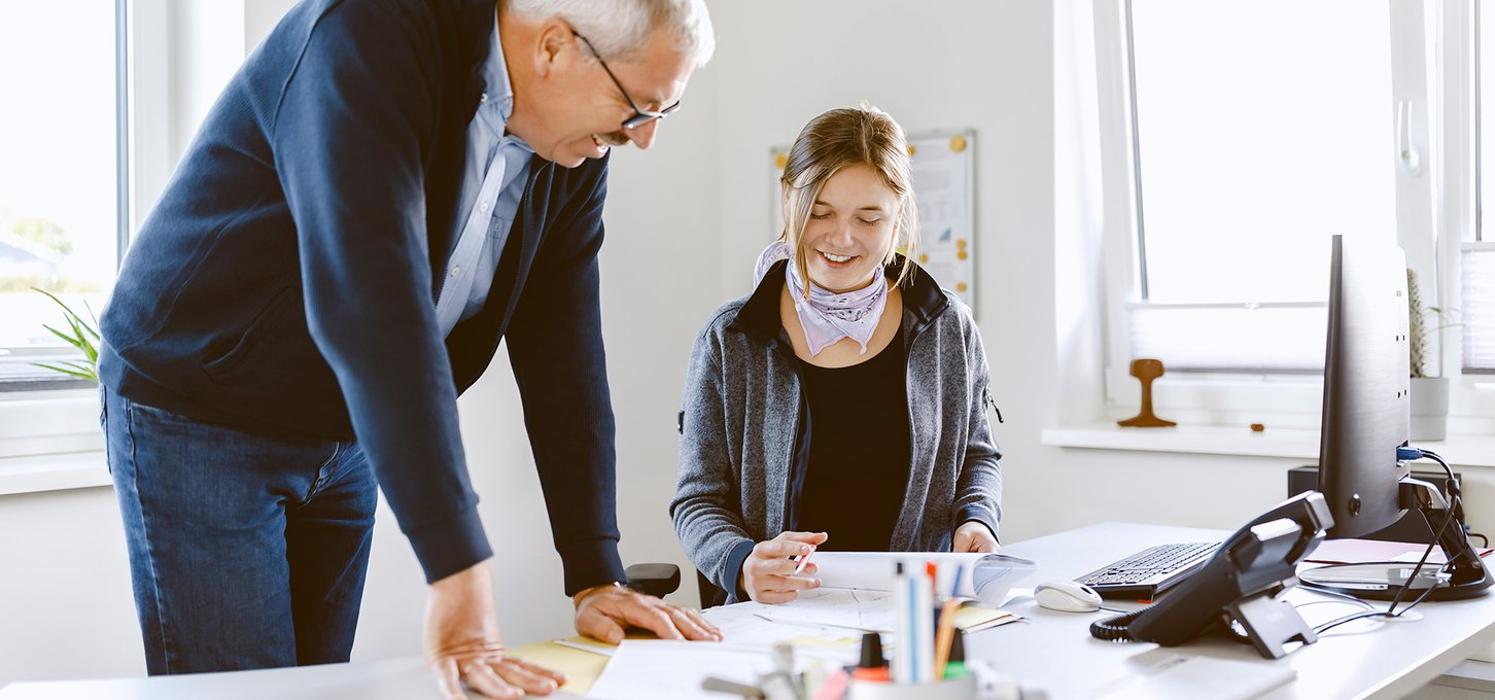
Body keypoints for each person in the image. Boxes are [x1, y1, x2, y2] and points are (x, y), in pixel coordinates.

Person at [96, 0, 719, 697]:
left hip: (340, 424)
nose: (644, 138)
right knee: (247, 691)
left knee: (318, 687)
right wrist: (458, 567)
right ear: (553, 47)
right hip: (202, 408)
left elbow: (562, 352)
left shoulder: (570, 144)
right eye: (638, 108)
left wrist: (594, 569)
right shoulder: (368, 34)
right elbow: (371, 301)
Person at [671, 104, 1003, 606]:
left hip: (912, 614)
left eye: (869, 218)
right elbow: (698, 501)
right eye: (820, 213)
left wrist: (979, 516)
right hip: (774, 622)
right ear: (787, 200)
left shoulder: (947, 328)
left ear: (899, 215)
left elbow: (976, 455)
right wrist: (739, 562)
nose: (841, 239)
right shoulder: (730, 339)